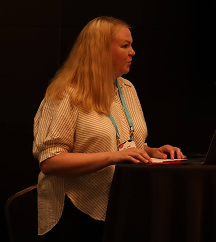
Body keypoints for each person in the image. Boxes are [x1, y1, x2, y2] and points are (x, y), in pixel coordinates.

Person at [33, 16, 185, 240]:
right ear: (100, 50)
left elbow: (124, 142)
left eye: (131, 45)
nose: (133, 52)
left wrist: (152, 151)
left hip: (121, 207)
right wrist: (113, 157)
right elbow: (50, 162)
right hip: (75, 213)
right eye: (125, 46)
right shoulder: (66, 94)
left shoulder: (127, 88)